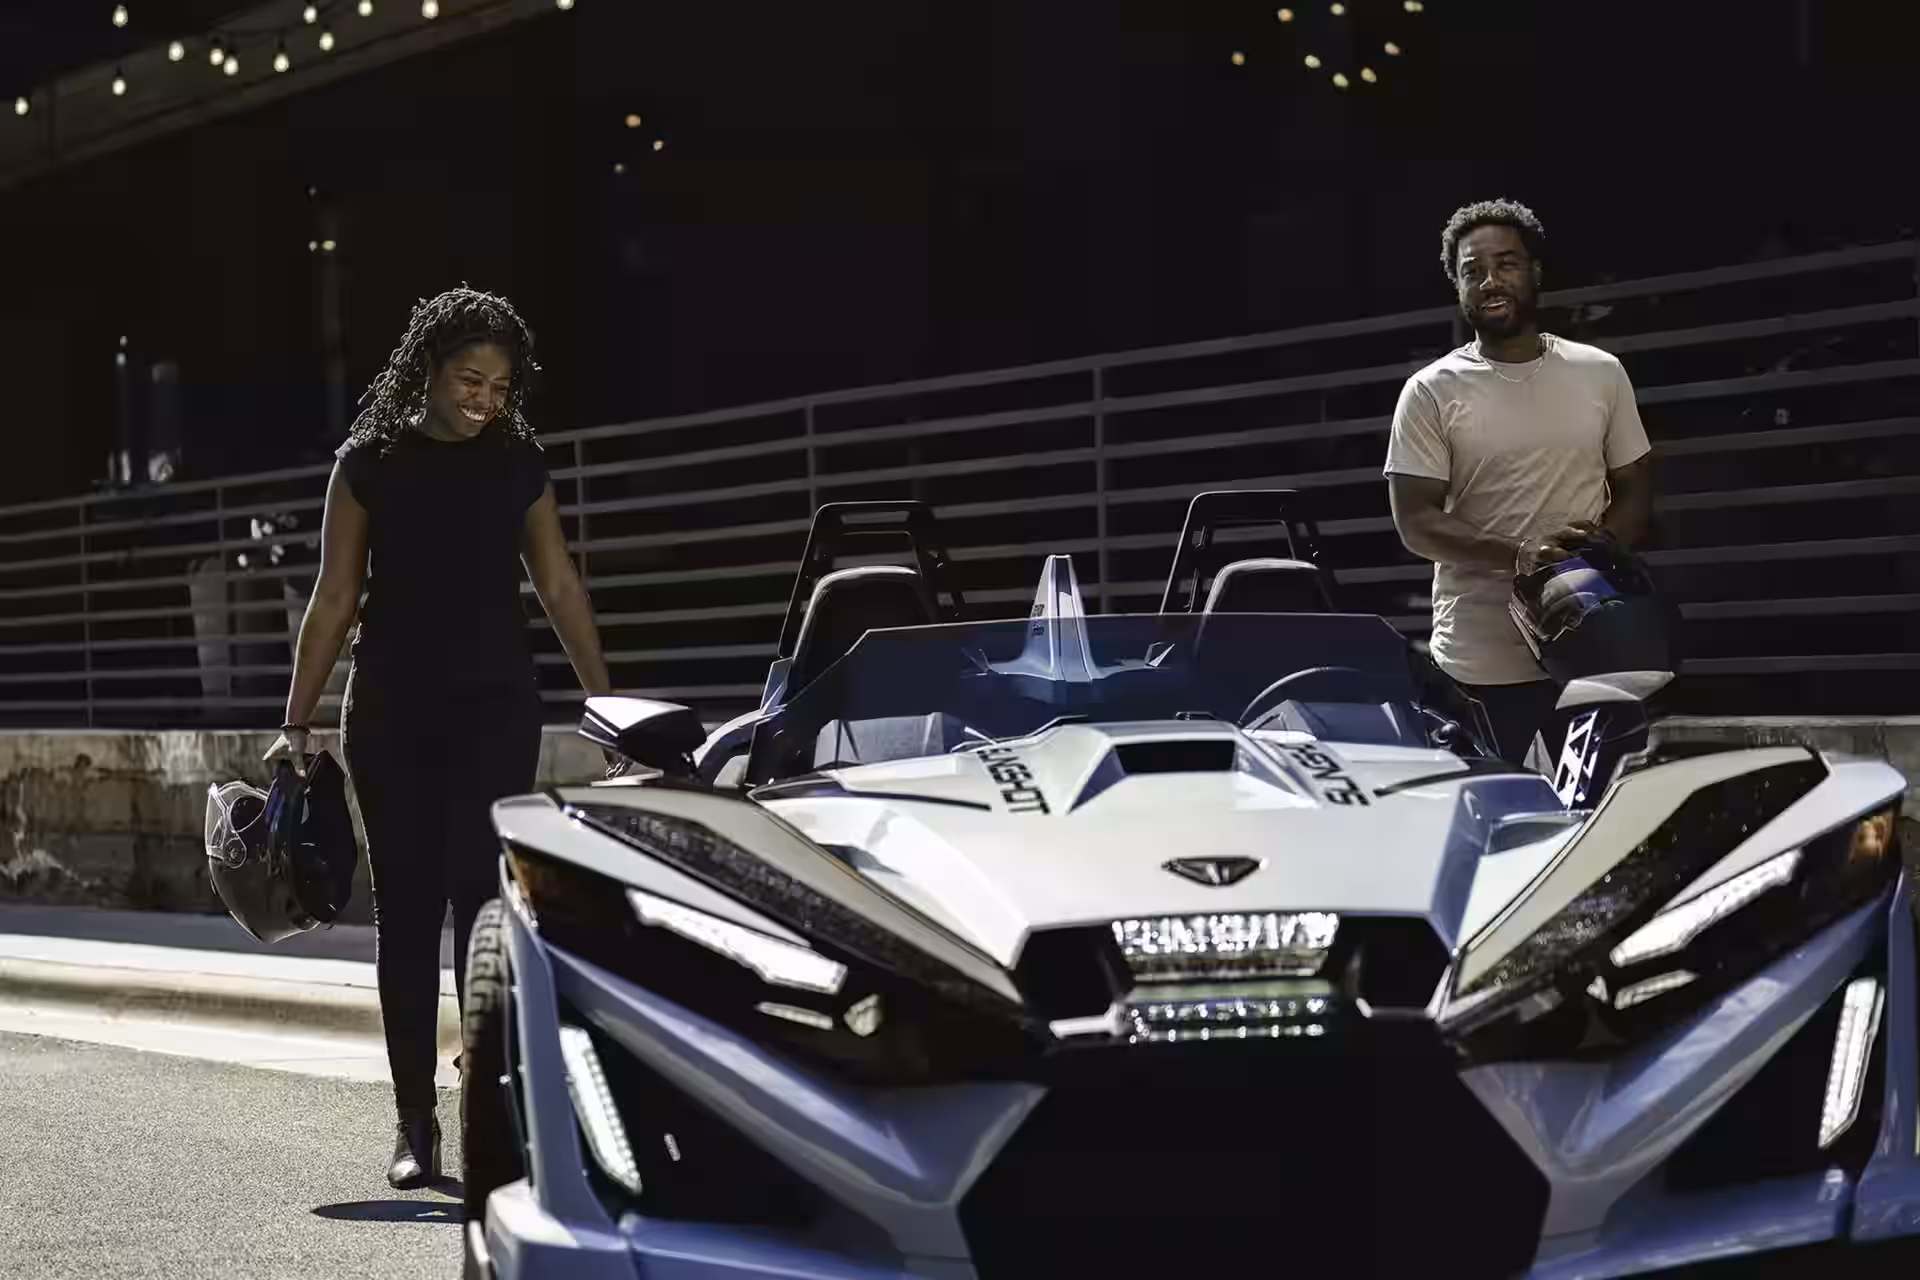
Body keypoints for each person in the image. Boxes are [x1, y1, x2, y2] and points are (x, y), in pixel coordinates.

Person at [265, 287, 611, 1188]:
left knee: (482, 904)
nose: (485, 399)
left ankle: (483, 1106)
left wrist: (610, 706)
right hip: (391, 713)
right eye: (469, 380)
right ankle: (414, 1124)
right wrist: (296, 719)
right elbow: (333, 598)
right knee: (409, 910)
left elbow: (560, 588)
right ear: (428, 367)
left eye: (500, 385)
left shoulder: (519, 464)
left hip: (495, 709)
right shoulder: (367, 464)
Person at [1384, 199, 1653, 765]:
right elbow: (1416, 522)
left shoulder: (1600, 372)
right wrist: (1522, 555)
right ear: (1459, 287)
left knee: (1605, 808)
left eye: (1506, 263)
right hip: (1479, 663)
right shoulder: (1431, 390)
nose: (1490, 281)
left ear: (1535, 271)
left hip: (1595, 650)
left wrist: (1598, 555)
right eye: (1472, 270)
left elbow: (1633, 486)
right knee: (1487, 813)